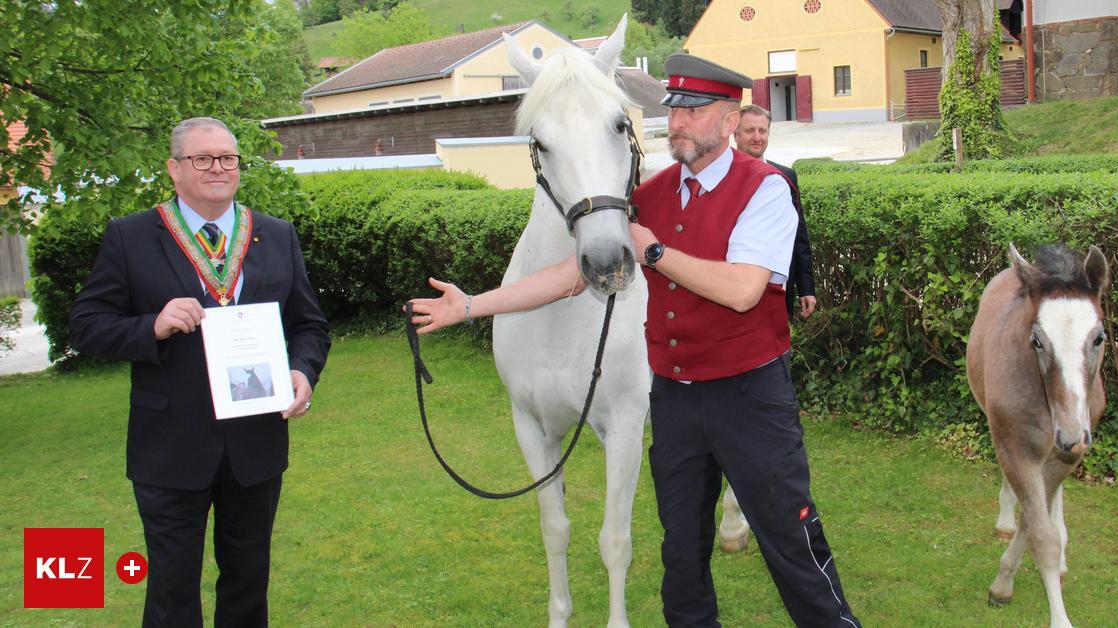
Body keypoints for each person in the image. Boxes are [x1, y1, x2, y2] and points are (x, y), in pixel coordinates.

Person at [410, 54, 858, 627]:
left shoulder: (766, 188)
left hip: (749, 397)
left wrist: (652, 252)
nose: (678, 124)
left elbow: (745, 290)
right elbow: (575, 275)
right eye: (673, 111)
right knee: (681, 557)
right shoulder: (650, 193)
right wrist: (472, 305)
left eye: (694, 112)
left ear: (728, 121)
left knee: (791, 542)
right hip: (674, 399)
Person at [70, 117, 331, 627]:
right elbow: (86, 327)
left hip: (255, 444)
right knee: (171, 586)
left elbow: (309, 326)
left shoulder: (276, 235)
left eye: (228, 158)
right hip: (169, 445)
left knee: (248, 580)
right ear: (174, 169)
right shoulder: (131, 236)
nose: (218, 168)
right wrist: (153, 326)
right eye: (202, 158)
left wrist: (302, 372)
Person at [733, 104, 817, 319]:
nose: (757, 137)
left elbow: (799, 234)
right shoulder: (721, 176)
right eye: (749, 130)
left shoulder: (785, 176)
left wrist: (806, 287)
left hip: (779, 291)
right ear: (735, 133)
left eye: (762, 131)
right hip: (733, 289)